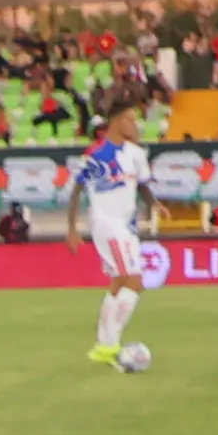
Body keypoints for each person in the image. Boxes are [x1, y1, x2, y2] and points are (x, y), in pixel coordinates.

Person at [74, 98, 160, 366]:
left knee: (119, 285)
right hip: (108, 225)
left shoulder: (136, 154)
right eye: (131, 119)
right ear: (117, 122)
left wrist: (154, 203)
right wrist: (71, 227)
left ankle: (104, 345)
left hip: (127, 227)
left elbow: (143, 185)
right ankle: (109, 345)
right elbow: (76, 188)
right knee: (134, 283)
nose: (136, 125)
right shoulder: (96, 155)